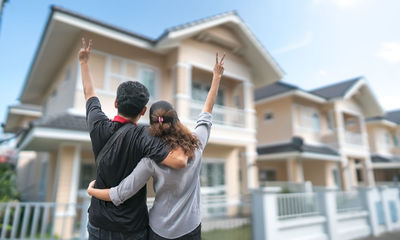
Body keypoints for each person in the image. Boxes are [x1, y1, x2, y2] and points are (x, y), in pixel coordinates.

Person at [87, 52, 226, 239]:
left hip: (158, 229)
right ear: (176, 119)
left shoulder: (150, 160)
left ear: (153, 124)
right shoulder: (196, 144)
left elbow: (121, 193)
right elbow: (206, 113)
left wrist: (91, 190)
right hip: (190, 227)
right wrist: (216, 77)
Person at [78, 38, 189, 240]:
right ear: (143, 110)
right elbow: (180, 160)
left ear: (115, 103)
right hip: (131, 228)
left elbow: (89, 93)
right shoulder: (145, 135)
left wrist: (84, 62)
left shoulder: (97, 125)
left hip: (98, 224)